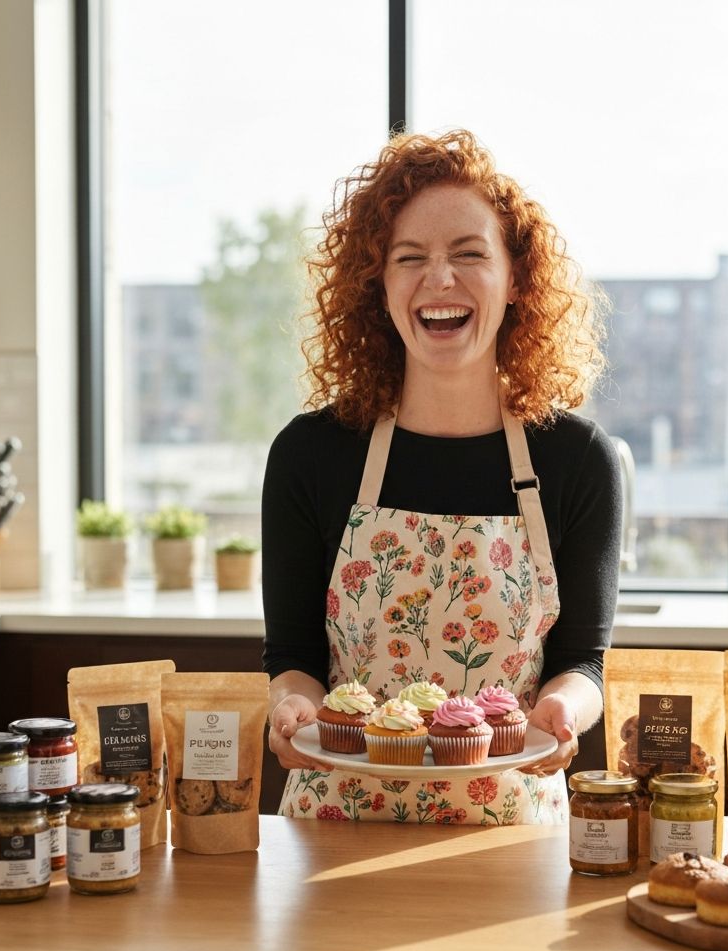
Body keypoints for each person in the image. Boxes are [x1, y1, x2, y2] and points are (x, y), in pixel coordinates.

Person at [261, 128, 621, 825]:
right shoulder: (311, 455)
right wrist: (291, 707)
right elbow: (294, 657)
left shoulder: (577, 460)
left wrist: (562, 709)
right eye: (410, 258)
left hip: (511, 832)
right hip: (337, 825)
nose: (440, 279)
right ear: (381, 284)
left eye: (468, 254)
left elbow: (583, 662)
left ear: (516, 279)